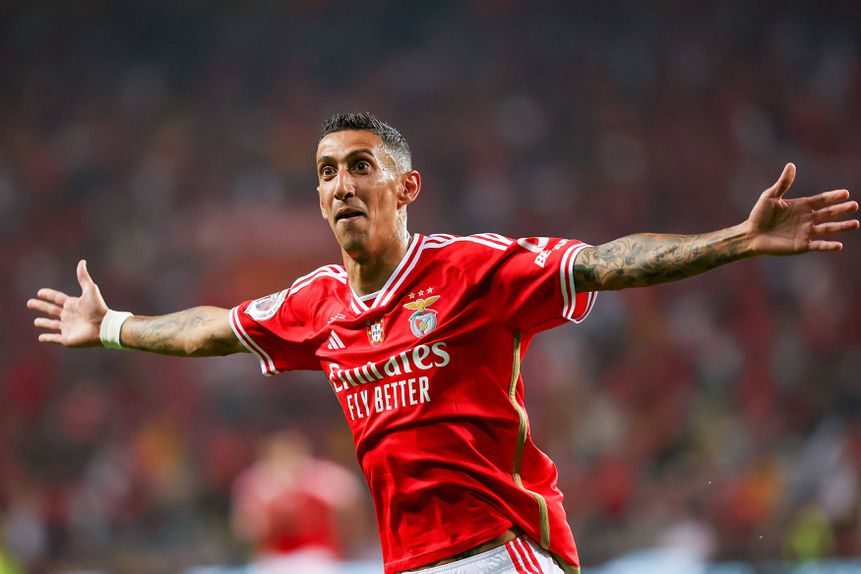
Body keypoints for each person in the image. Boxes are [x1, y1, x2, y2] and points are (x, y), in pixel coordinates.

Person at [27, 113, 858, 574]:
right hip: (407, 566)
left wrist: (735, 240)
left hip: (499, 554)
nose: (340, 183)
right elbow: (215, 328)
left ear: (406, 187)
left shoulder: (470, 268)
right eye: (325, 171)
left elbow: (603, 262)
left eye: (359, 165)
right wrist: (111, 327)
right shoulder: (316, 303)